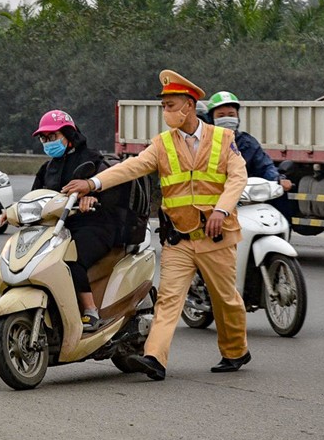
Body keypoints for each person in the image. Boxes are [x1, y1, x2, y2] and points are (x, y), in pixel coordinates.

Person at [63, 70, 250, 380]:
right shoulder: (162, 145)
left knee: (225, 298)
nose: (166, 112)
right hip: (179, 239)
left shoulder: (223, 139)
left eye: (171, 105)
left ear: (189, 106)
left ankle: (235, 351)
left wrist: (221, 209)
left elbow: (237, 177)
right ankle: (155, 357)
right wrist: (92, 183)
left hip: (216, 235)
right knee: (168, 300)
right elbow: (130, 168)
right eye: (163, 106)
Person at [3, 109, 125, 332]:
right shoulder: (47, 168)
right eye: (44, 138)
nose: (48, 142)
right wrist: (13, 210)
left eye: (53, 137)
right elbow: (34, 197)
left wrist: (92, 197)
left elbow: (112, 189)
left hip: (95, 225)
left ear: (69, 136)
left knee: (70, 259)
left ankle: (90, 311)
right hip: (58, 228)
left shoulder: (92, 160)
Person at [206, 91, 293, 220]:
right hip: (211, 203)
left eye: (231, 115)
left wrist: (278, 179)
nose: (227, 118)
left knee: (282, 202)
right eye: (221, 115)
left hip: (245, 200)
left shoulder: (247, 143)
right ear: (211, 118)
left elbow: (265, 165)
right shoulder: (203, 143)